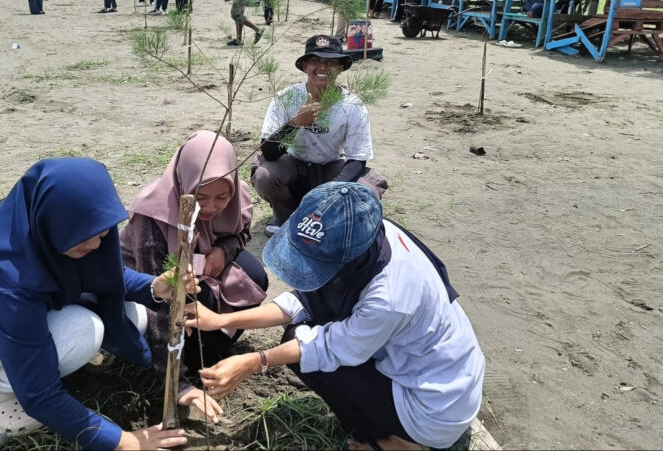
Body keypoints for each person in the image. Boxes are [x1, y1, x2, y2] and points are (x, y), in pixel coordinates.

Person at [0, 158, 211, 450]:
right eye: (86, 237)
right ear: (52, 220)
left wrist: (154, 287)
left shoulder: (61, 226)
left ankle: (17, 366)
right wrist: (123, 441)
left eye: (102, 232)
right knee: (84, 331)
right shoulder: (7, 272)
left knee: (133, 315)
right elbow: (40, 396)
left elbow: (109, 275)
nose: (96, 244)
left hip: (7, 311)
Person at [182, 182, 486, 450]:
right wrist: (222, 320)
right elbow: (302, 300)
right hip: (438, 366)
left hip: (433, 405)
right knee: (300, 337)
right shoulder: (367, 233)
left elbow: (324, 347)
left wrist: (253, 361)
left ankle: (398, 441)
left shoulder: (389, 297)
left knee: (301, 349)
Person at [120, 131, 268, 408]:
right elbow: (155, 300)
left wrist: (224, 250)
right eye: (200, 197)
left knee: (253, 275)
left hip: (201, 267)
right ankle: (179, 362)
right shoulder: (153, 215)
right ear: (184, 182)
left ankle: (208, 354)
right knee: (200, 300)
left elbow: (242, 231)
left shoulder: (236, 196)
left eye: (222, 198)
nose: (211, 208)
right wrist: (176, 383)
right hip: (150, 290)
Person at [251, 35, 387, 237]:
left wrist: (332, 190)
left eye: (331, 62)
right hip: (293, 165)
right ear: (305, 66)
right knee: (264, 175)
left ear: (340, 67)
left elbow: (357, 159)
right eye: (315, 61)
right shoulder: (286, 97)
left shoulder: (352, 105)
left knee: (367, 190)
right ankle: (286, 218)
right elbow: (269, 152)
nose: (322, 67)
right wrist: (295, 123)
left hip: (331, 166)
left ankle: (326, 222)